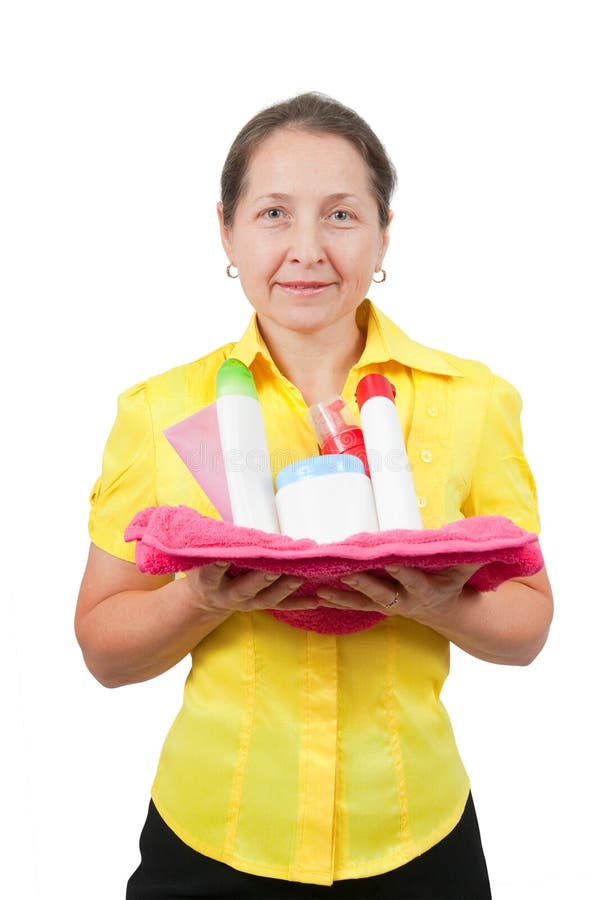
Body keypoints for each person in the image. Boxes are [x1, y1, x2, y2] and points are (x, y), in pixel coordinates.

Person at [75, 92, 553, 899]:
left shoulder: (472, 401)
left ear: (383, 234)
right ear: (225, 230)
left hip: (413, 831)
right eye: (272, 213)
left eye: (340, 215)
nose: (306, 249)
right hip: (215, 833)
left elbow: (530, 626)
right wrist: (198, 598)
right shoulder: (159, 411)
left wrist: (437, 603)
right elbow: (102, 649)